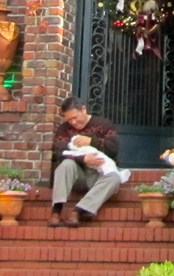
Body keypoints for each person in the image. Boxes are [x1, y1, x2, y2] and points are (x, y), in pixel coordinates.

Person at [49, 97, 121, 227]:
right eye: (69, 119)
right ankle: (56, 212)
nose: (73, 122)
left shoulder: (103, 124)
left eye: (75, 117)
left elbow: (114, 149)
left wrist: (91, 141)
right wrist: (83, 159)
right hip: (77, 176)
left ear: (84, 109)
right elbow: (59, 153)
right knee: (66, 164)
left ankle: (78, 212)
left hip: (98, 176)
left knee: (114, 178)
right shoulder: (64, 129)